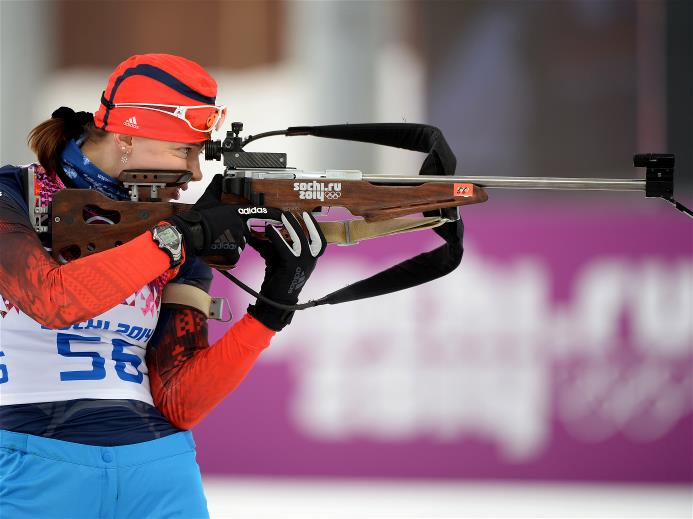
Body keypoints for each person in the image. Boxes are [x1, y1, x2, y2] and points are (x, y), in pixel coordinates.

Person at [0, 53, 325, 519]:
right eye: (184, 151)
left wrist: (273, 307)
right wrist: (177, 239)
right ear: (127, 137)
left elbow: (180, 402)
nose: (196, 172)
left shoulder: (172, 230)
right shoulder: (13, 195)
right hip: (30, 466)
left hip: (159, 470)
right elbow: (52, 300)